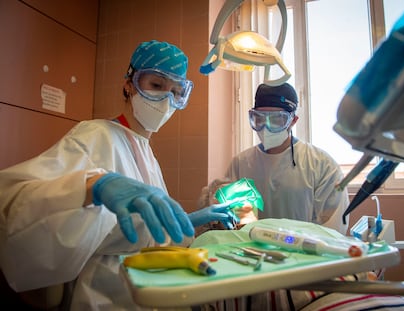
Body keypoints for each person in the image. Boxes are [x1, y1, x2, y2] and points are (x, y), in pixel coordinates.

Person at [0, 40, 237, 310]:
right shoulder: (95, 134)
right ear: (129, 84)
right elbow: (12, 203)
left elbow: (144, 231)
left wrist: (188, 221)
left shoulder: (145, 151)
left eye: (176, 91)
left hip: (148, 284)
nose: (166, 100)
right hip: (107, 292)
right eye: (156, 85)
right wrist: (93, 185)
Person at [224, 82, 350, 234]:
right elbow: (232, 221)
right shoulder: (241, 164)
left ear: (293, 120)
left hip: (306, 254)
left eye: (277, 120)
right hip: (252, 253)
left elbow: (332, 229)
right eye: (259, 118)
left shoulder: (321, 165)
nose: (266, 127)